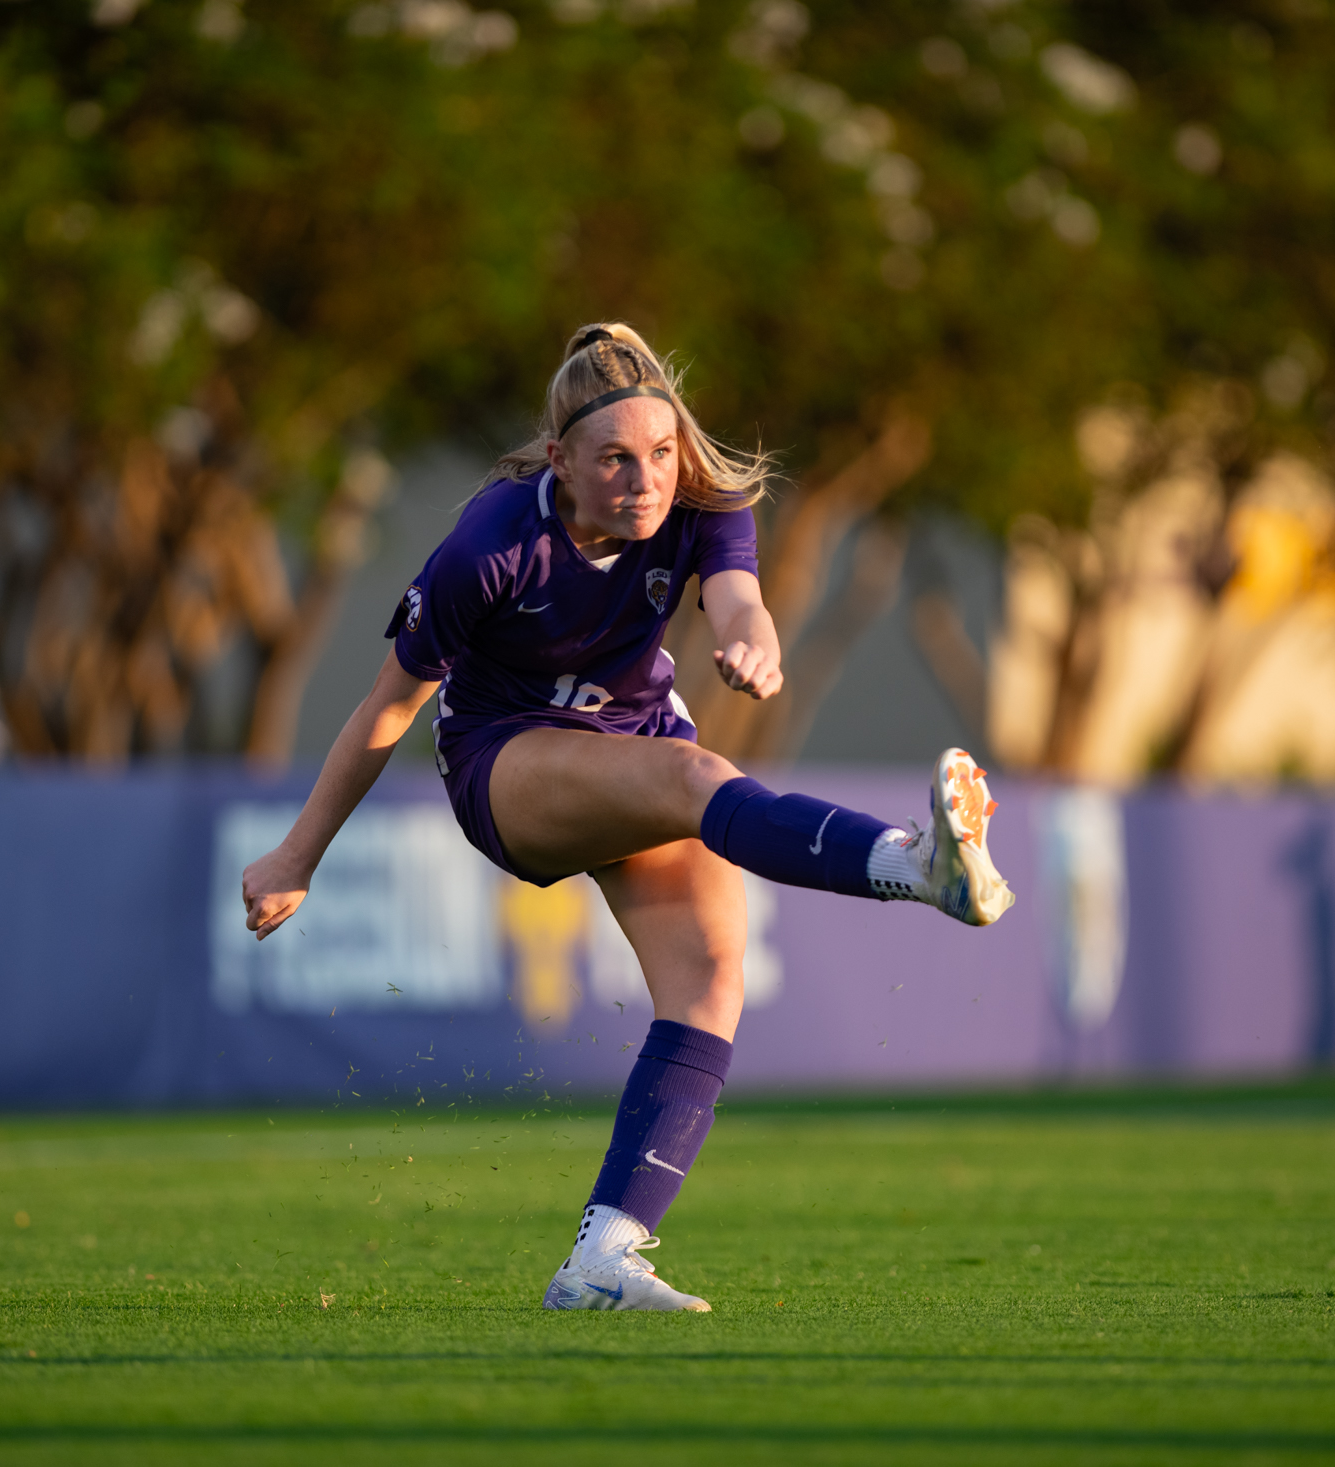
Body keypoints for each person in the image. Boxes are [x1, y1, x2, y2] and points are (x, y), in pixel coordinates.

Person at [240, 324, 1014, 1313]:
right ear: (558, 459)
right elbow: (390, 706)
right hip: (504, 759)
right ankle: (912, 864)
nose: (646, 480)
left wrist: (752, 646)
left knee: (710, 978)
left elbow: (738, 602)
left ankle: (603, 1258)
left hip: (636, 732)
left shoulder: (700, 498)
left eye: (661, 453)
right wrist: (298, 854)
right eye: (615, 459)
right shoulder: (490, 543)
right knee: (693, 773)